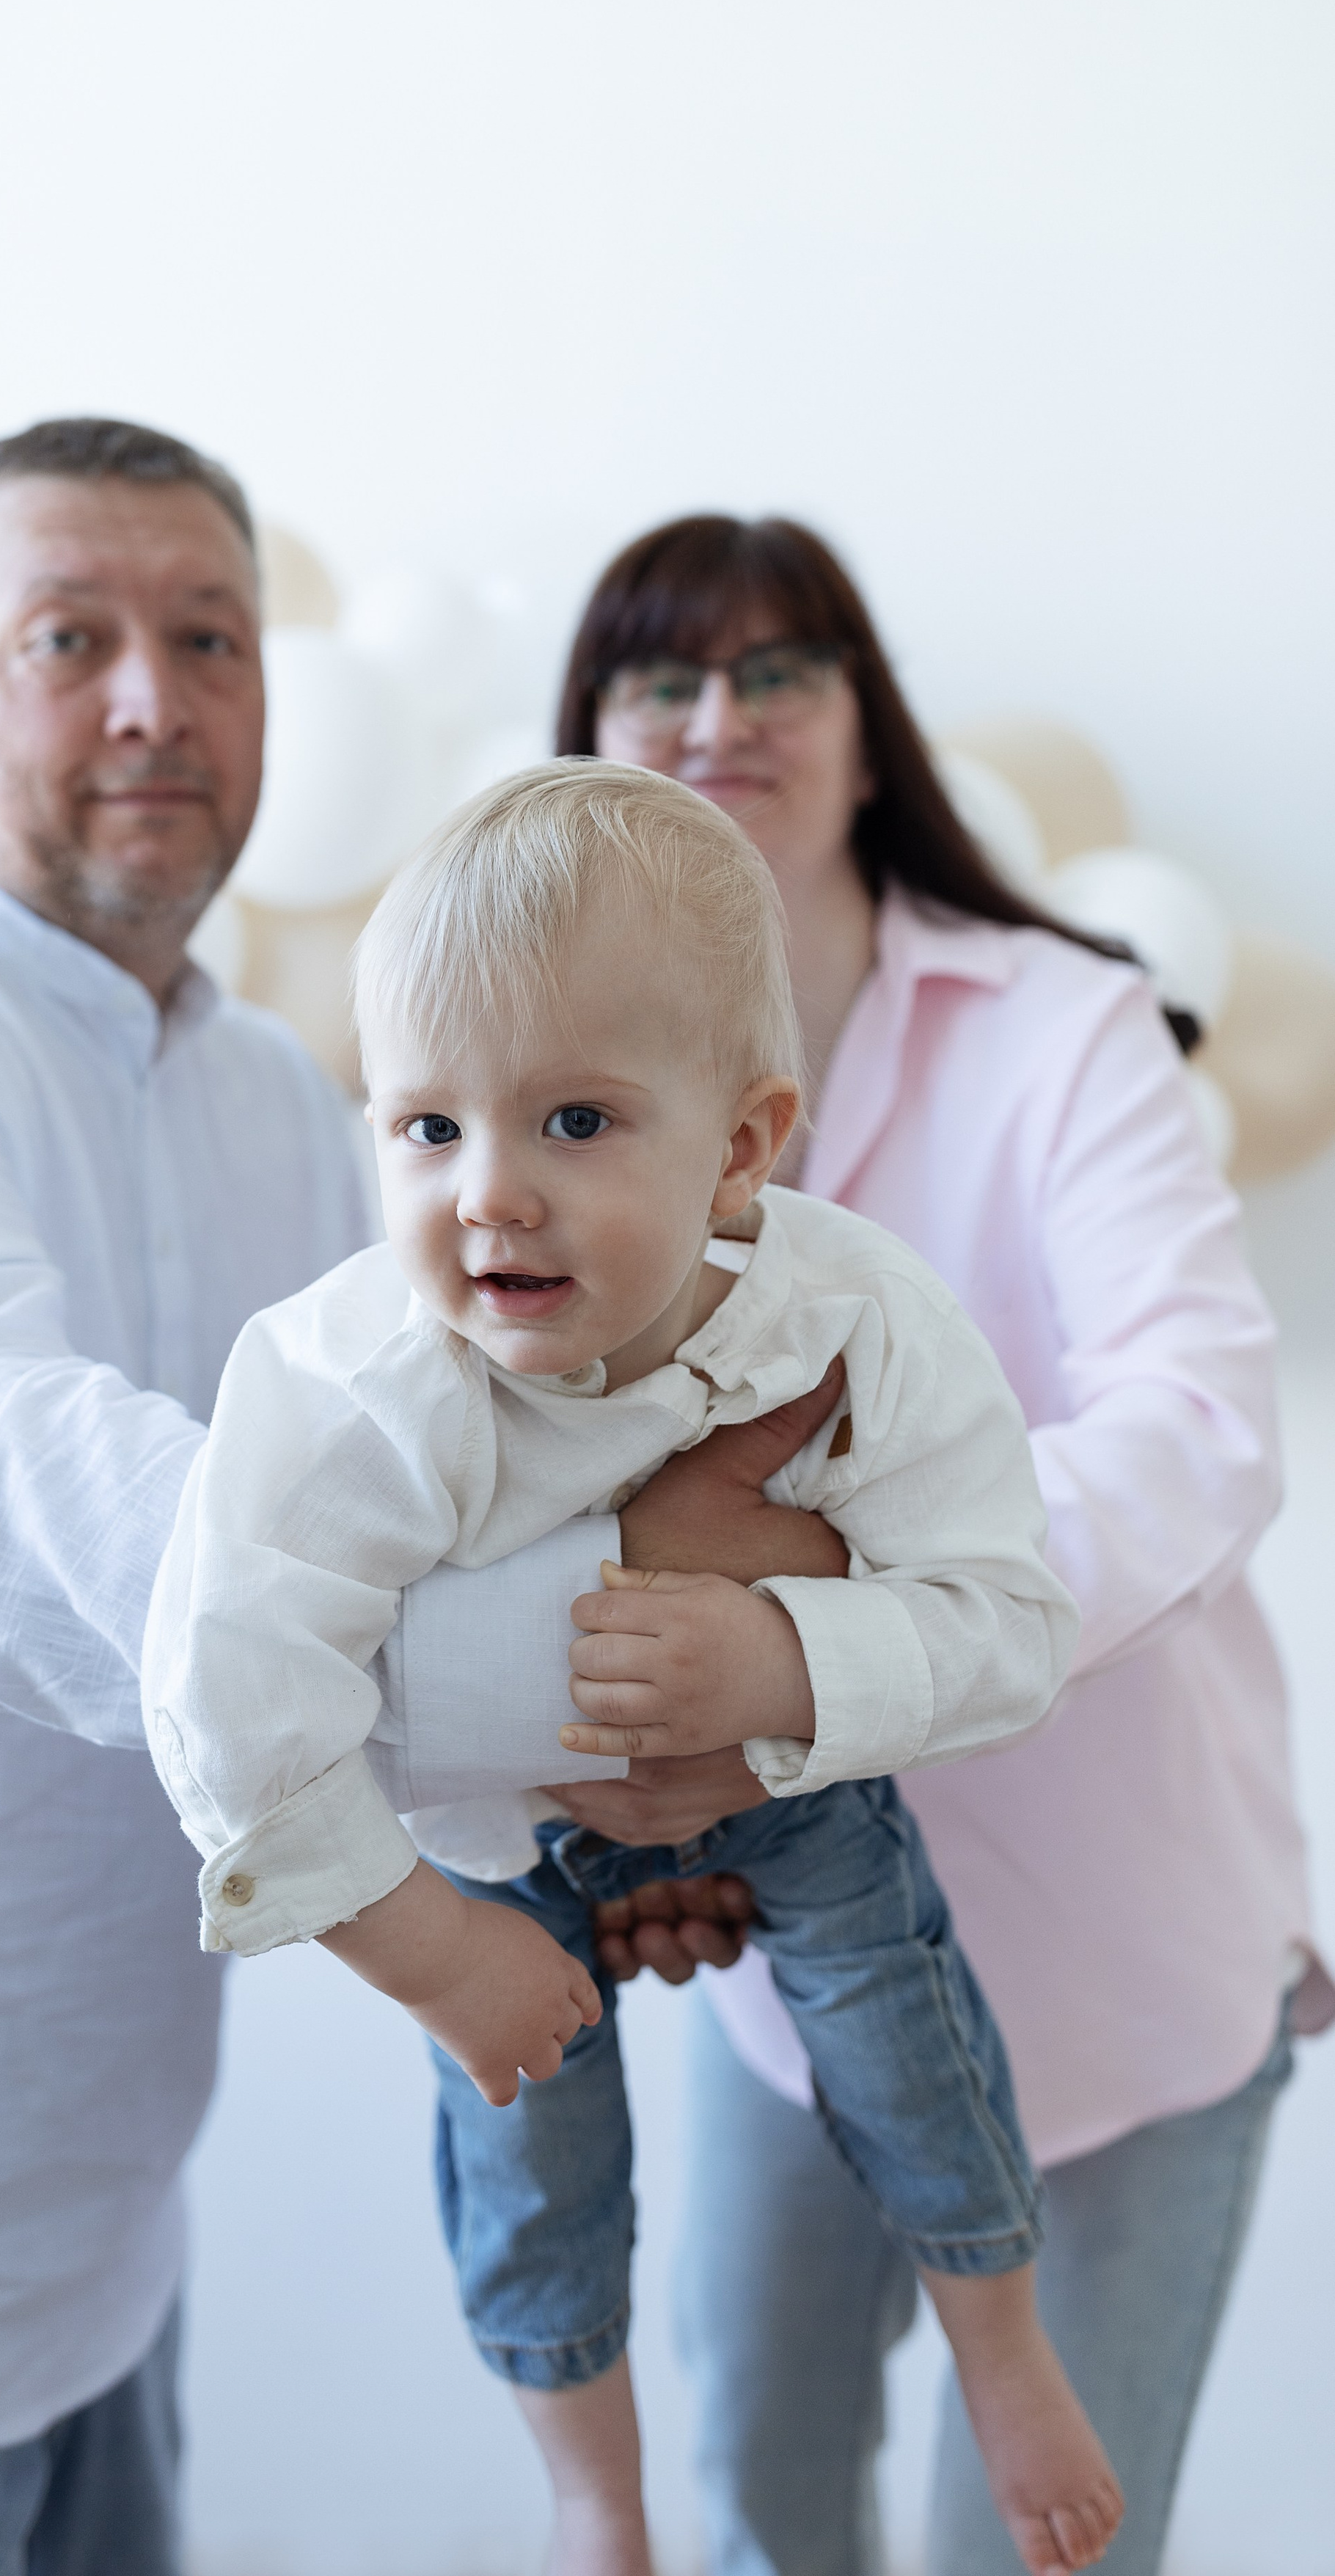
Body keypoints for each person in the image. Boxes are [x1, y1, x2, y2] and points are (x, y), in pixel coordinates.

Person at [0, 420, 778, 2576]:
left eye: (211, 636)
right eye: (67, 637)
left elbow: (436, 1517)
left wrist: (569, 1843)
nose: (151, 698)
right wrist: (592, 1703)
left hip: (94, 2239)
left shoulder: (280, 1101)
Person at [142, 761, 1123, 2576]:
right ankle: (591, 2489)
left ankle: (996, 2343)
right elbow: (231, 1687)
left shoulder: (852, 1321)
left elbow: (1009, 1624)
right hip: (493, 1854)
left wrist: (769, 1659)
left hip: (779, 1791)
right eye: (422, 1129)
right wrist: (430, 1953)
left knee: (899, 2016)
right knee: (525, 2156)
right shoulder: (355, 1380)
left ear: (742, 1145)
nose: (486, 1197)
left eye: (573, 1123)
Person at [533, 514, 1328, 2576]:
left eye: (781, 672)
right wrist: (636, 1827)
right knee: (760, 2506)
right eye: (663, 681)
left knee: (1041, 2553)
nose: (722, 720)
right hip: (791, 1982)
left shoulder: (1067, 1029)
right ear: (593, 748)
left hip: (1128, 1982)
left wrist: (818, 1650)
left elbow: (1195, 1426)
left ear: (867, 735)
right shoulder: (557, 1102)